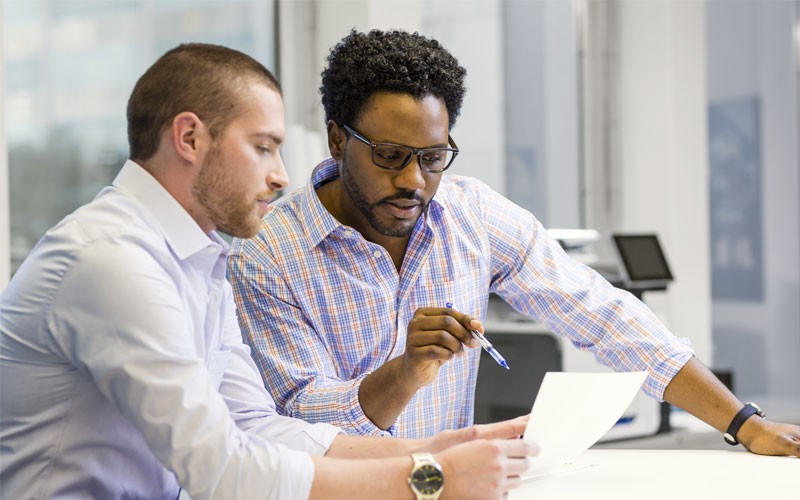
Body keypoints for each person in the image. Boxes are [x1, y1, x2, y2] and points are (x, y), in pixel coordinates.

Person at [0, 43, 537, 500]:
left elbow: (255, 427)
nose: (282, 177)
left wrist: (436, 448)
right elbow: (221, 470)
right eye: (263, 148)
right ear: (189, 138)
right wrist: (430, 479)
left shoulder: (197, 257)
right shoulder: (112, 262)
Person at [228, 29, 800, 457]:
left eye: (432, 159)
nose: (412, 181)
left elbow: (606, 317)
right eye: (389, 156)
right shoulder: (267, 255)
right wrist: (406, 373)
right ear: (336, 139)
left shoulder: (470, 214)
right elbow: (300, 427)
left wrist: (744, 422)